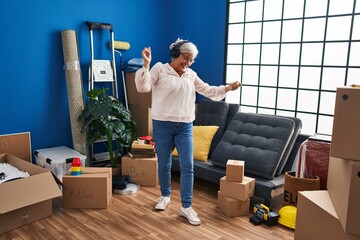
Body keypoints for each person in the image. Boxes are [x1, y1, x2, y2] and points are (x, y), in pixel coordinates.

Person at [134, 39, 241, 226]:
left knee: (188, 165)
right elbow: (143, 88)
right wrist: (146, 64)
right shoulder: (159, 69)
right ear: (176, 54)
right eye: (186, 58)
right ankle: (165, 196)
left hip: (185, 125)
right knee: (165, 163)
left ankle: (186, 206)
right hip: (162, 123)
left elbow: (208, 90)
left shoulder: (191, 74)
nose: (188, 63)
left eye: (191, 60)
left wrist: (227, 88)